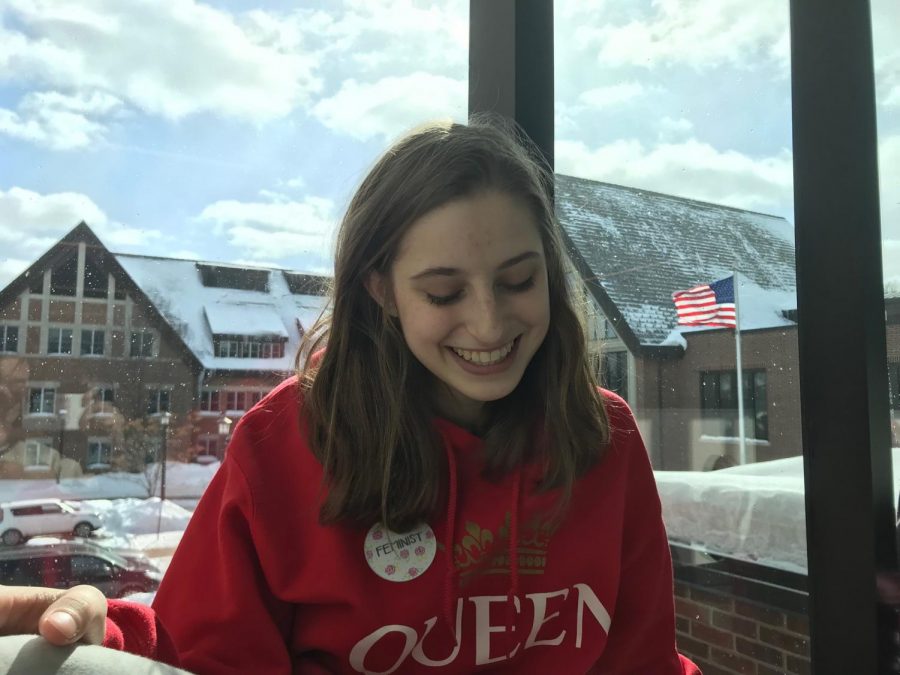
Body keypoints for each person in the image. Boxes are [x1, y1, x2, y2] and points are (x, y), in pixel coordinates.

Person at [0, 117, 701, 674]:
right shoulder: (286, 442)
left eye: (518, 280)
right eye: (443, 291)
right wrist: (110, 633)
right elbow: (209, 656)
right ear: (380, 290)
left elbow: (641, 662)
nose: (489, 322)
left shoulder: (600, 434)